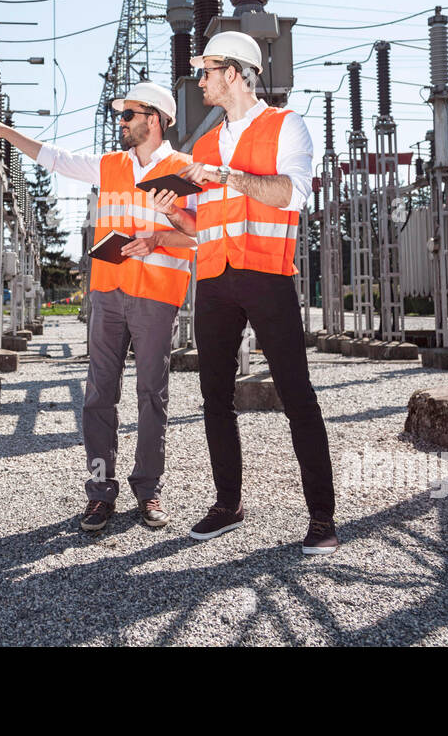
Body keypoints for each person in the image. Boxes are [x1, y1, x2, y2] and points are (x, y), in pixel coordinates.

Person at [0, 83, 197, 532]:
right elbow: (54, 157)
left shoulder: (185, 169)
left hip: (157, 294)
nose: (122, 122)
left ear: (155, 118)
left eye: (129, 115)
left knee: (152, 395)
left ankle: (148, 491)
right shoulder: (110, 166)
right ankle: (99, 493)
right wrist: (2, 131)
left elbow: (199, 235)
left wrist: (161, 232)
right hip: (108, 293)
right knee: (98, 396)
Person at [154, 30, 339, 555]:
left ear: (235, 73)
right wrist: (175, 212)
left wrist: (227, 175)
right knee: (214, 396)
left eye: (208, 70)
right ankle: (228, 504)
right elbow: (202, 224)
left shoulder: (286, 126)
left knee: (297, 395)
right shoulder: (205, 146)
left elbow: (290, 194)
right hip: (213, 279)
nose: (201, 80)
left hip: (266, 275)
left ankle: (321, 518)